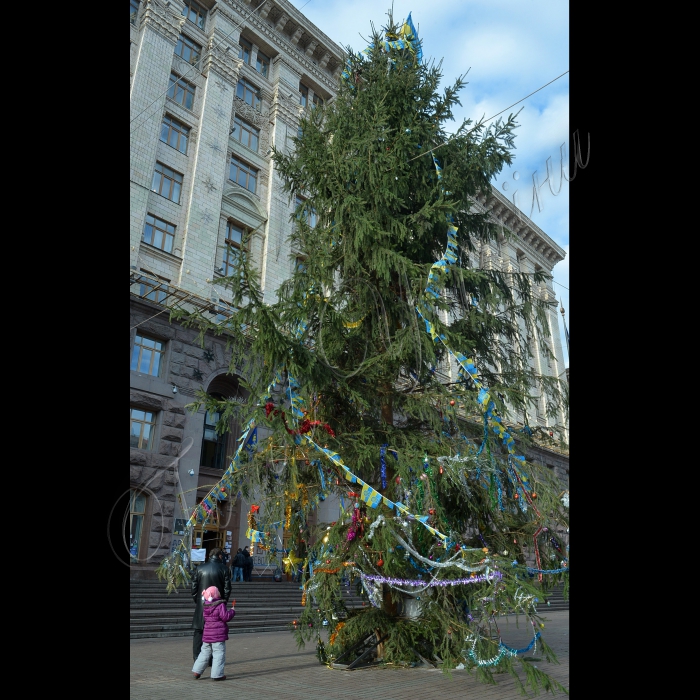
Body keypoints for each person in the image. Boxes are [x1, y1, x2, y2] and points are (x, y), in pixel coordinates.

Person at [191, 547, 231, 663]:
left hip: (202, 604)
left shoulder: (200, 568)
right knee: (215, 633)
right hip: (217, 605)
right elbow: (227, 589)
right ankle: (211, 659)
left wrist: (198, 601)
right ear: (219, 556)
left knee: (199, 631)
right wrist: (223, 602)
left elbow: (194, 588)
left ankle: (197, 658)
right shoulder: (224, 569)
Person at [192, 586, 236, 681]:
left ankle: (197, 671)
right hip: (218, 635)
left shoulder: (205, 606)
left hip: (207, 635)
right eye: (218, 591)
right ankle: (217, 675)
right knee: (218, 654)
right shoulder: (220, 605)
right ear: (215, 594)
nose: (219, 592)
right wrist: (232, 611)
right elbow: (225, 617)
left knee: (204, 653)